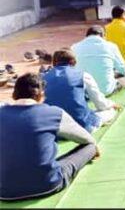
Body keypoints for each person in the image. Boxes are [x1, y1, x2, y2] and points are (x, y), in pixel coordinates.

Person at [0, 73, 99, 201]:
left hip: (5, 192)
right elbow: (86, 138)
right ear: (40, 95)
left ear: (14, 94)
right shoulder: (53, 113)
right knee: (90, 146)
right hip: (48, 185)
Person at [43, 49, 120, 133]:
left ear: (53, 63)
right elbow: (100, 103)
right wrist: (111, 105)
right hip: (81, 126)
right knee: (109, 111)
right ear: (74, 62)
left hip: (54, 129)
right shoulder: (83, 75)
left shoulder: (42, 78)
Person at [72, 26, 125, 96]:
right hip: (105, 90)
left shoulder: (74, 47)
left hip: (84, 91)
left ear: (86, 36)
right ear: (103, 36)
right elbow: (122, 68)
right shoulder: (111, 46)